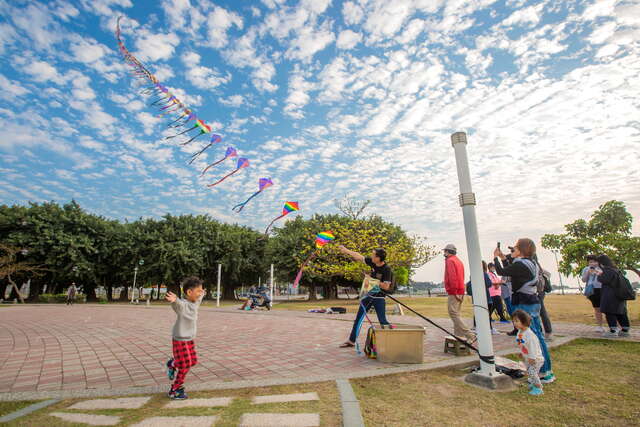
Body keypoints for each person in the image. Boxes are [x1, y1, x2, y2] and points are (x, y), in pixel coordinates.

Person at [494, 238, 555, 384]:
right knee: (537, 336)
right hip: (532, 301)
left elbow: (502, 271)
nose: (511, 251)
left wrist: (495, 257)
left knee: (533, 338)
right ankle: (546, 370)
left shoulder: (521, 264)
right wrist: (503, 258)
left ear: (521, 250)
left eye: (514, 249)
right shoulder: (530, 263)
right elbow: (512, 272)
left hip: (525, 303)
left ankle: (543, 371)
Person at [338, 246, 392, 348]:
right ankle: (351, 341)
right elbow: (359, 257)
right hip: (369, 295)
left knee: (382, 321)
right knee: (358, 319)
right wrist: (346, 250)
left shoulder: (387, 269)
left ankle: (392, 340)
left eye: (373, 255)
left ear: (379, 258)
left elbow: (386, 286)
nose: (371, 256)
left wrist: (371, 279)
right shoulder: (373, 262)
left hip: (379, 298)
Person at [165, 276, 205, 400]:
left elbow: (201, 295)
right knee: (185, 365)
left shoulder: (196, 301)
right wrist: (174, 300)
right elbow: (177, 304)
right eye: (198, 291)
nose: (200, 293)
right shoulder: (182, 306)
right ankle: (175, 389)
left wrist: (202, 292)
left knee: (192, 361)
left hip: (190, 338)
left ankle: (172, 363)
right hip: (180, 339)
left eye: (201, 291)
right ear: (189, 292)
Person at [443, 244, 475, 342]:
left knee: (453, 313)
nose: (444, 253)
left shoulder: (450, 261)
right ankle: (458, 336)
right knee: (456, 313)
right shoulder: (458, 261)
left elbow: (452, 277)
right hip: (460, 289)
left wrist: (454, 291)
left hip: (455, 291)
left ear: (448, 252)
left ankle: (469, 334)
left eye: (445, 251)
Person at [595, 255, 631, 338]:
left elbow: (603, 279)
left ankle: (613, 331)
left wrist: (598, 273)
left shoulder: (607, 271)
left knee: (609, 312)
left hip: (610, 295)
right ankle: (625, 330)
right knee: (620, 312)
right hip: (619, 295)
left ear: (601, 263)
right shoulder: (616, 269)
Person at [512, 309, 545, 396]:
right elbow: (522, 343)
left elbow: (533, 348)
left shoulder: (530, 335)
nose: (514, 323)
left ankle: (538, 388)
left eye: (516, 321)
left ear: (524, 321)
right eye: (513, 321)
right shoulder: (520, 332)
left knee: (532, 373)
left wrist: (532, 358)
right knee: (529, 371)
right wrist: (521, 353)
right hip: (527, 357)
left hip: (535, 359)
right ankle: (533, 383)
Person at [581, 255, 604, 332]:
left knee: (607, 308)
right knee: (597, 308)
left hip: (602, 289)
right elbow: (584, 280)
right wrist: (588, 272)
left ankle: (613, 326)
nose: (593, 263)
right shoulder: (586, 269)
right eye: (590, 262)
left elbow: (604, 277)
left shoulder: (601, 268)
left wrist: (596, 271)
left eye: (595, 261)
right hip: (592, 290)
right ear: (588, 263)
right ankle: (600, 326)